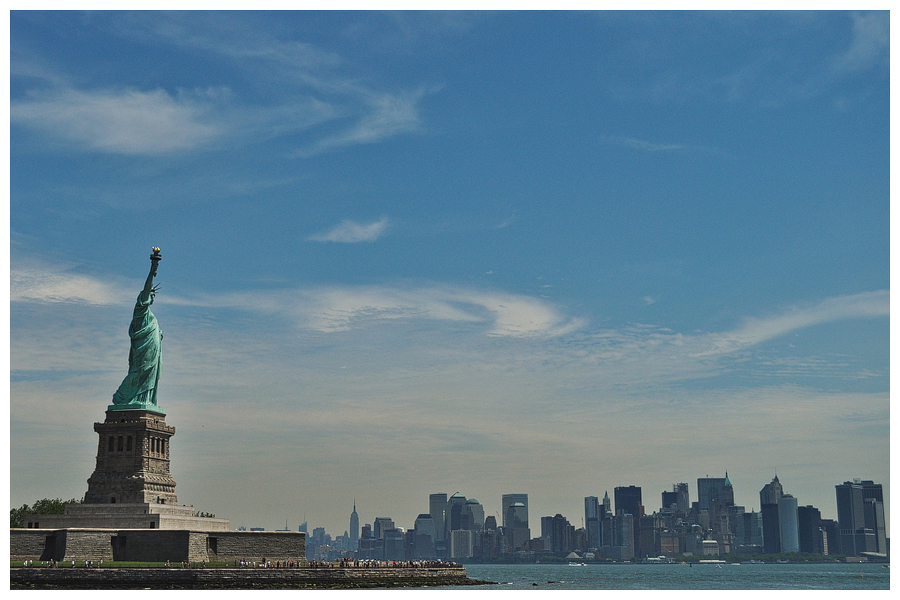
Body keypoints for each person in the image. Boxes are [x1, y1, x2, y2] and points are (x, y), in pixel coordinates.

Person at [112, 250, 163, 408]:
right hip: (143, 350)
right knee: (140, 371)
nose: (152, 297)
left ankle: (145, 400)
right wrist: (153, 268)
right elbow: (146, 289)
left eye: (153, 296)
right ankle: (121, 396)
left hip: (152, 350)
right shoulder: (140, 311)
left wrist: (159, 334)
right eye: (150, 295)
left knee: (149, 374)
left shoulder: (150, 315)